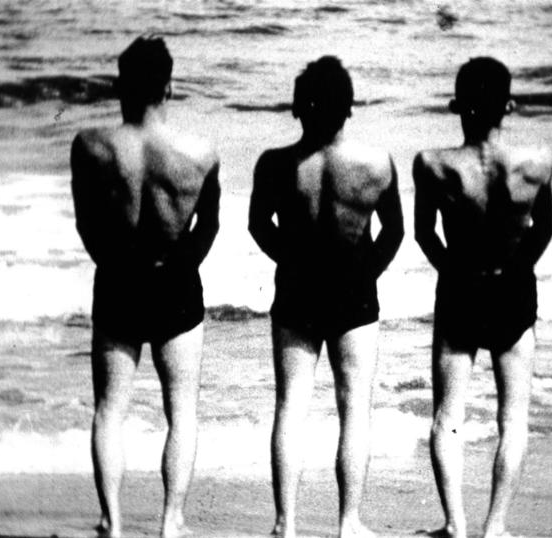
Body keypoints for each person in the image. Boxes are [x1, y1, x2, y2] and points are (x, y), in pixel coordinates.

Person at [70, 36, 220, 538]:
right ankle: (171, 522)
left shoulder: (90, 146)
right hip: (177, 282)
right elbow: (208, 227)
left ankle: (112, 522)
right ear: (170, 87)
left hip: (117, 279)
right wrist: (180, 268)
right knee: (182, 411)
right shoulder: (200, 153)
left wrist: (111, 263)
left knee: (110, 409)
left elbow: (86, 222)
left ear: (120, 85)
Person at [248, 56, 404, 538]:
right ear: (349, 108)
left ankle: (285, 524)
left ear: (299, 108)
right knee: (355, 406)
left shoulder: (276, 164)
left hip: (296, 289)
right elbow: (395, 232)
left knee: (291, 405)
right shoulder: (376, 163)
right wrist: (364, 274)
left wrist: (289, 262)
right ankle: (348, 523)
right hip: (354, 293)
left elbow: (258, 226)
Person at [413, 57, 552, 538]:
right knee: (513, 418)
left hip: (460, 286)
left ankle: (455, 524)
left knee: (447, 416)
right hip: (514, 287)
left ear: (457, 106)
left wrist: (454, 271)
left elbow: (424, 234)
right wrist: (517, 269)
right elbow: (548, 228)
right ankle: (495, 528)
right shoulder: (537, 162)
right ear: (509, 106)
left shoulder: (432, 164)